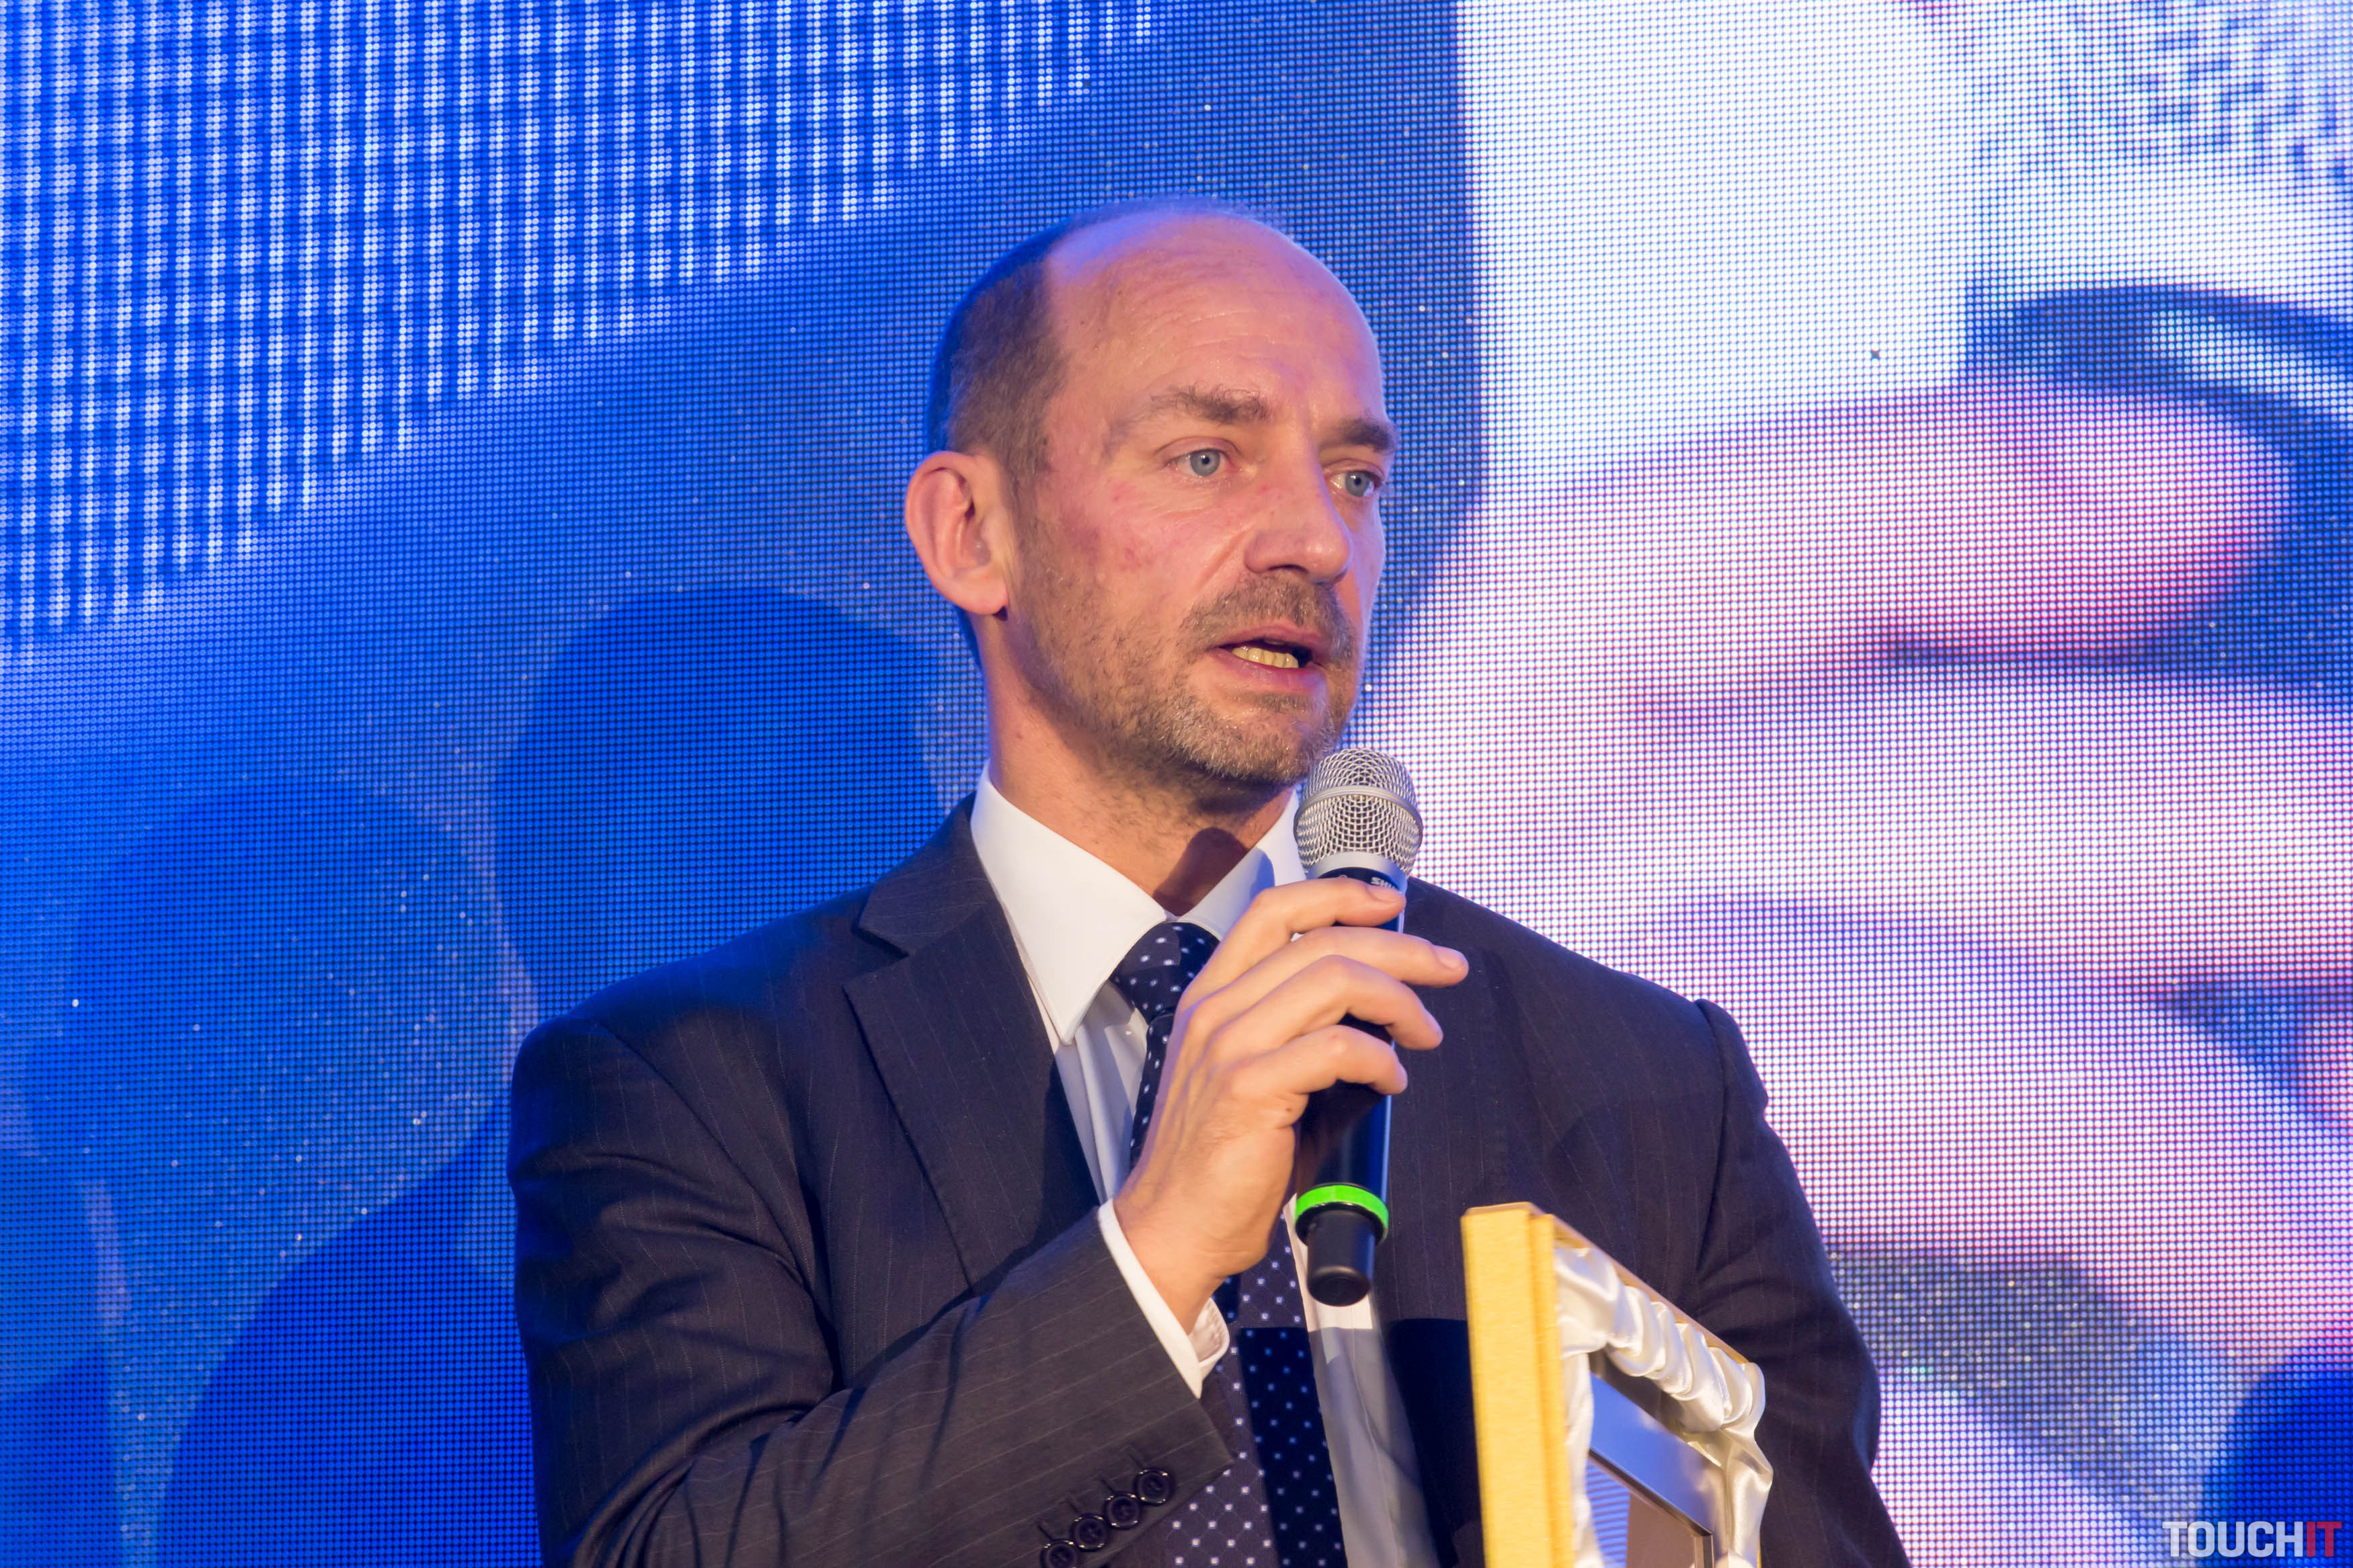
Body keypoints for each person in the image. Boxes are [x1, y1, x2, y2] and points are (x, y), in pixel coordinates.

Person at [509, 198, 1906, 1567]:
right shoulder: (696, 1083)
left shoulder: (1647, 1082)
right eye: (1205, 458)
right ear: (970, 533)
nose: (1316, 540)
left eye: (1354, 478)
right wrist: (1155, 1255)